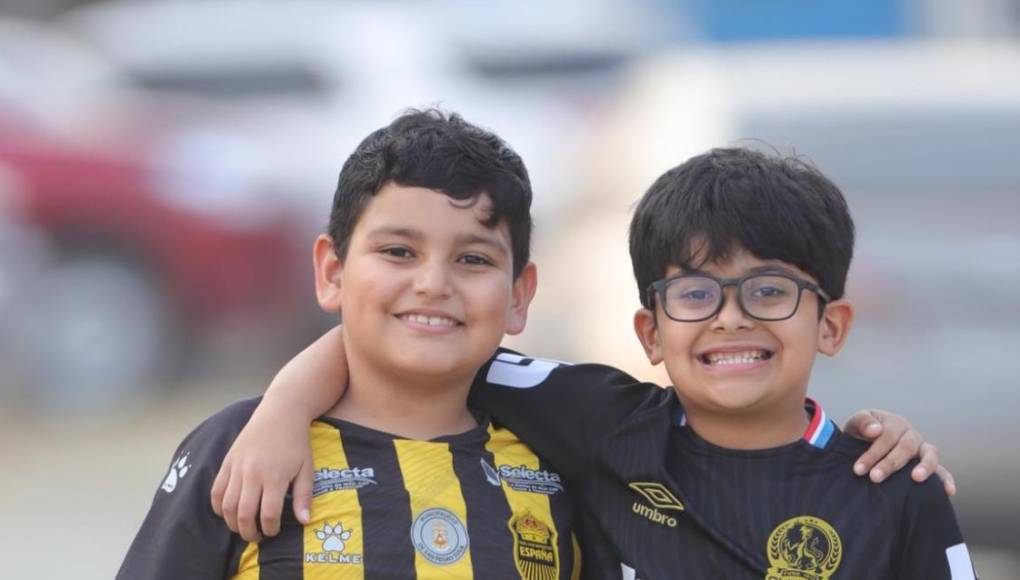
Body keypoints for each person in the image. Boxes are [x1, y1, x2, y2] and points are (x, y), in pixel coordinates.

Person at [213, 146, 966, 577]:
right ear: (648, 332)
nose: (732, 316)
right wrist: (283, 407)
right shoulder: (598, 421)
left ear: (830, 324)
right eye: (696, 293)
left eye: (769, 291)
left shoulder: (892, 490)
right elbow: (418, 340)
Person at [117, 110, 590, 579]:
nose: (433, 283)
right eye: (398, 252)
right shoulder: (244, 448)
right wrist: (287, 404)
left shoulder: (561, 462)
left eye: (473, 258)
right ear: (332, 272)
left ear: (519, 295)